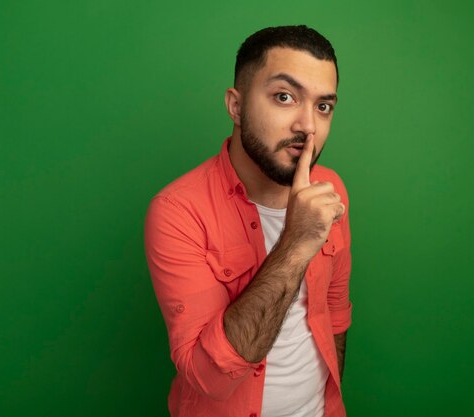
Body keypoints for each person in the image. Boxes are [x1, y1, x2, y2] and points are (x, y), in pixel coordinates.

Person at [144, 25, 352, 417]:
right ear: (235, 106)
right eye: (284, 97)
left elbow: (335, 314)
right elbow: (210, 378)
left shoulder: (331, 190)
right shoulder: (177, 211)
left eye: (323, 106)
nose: (307, 126)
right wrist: (295, 243)